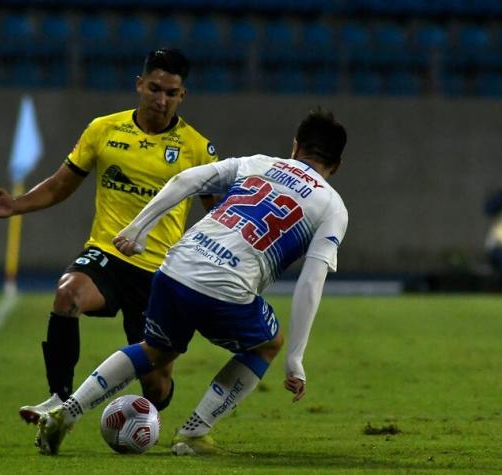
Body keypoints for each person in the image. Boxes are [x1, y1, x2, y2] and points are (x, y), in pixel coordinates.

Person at [34, 108, 348, 456]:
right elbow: (311, 279)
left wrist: (138, 228)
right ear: (336, 166)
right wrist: (296, 358)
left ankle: (67, 412)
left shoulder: (259, 163)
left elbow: (186, 180)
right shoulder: (332, 207)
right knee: (268, 344)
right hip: (227, 288)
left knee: (155, 350)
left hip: (176, 267)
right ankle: (194, 433)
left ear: (295, 146)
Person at [0, 49, 219, 422]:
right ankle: (58, 399)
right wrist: (15, 205)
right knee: (67, 293)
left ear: (182, 96)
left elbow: (219, 213)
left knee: (155, 385)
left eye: (171, 92)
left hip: (162, 273)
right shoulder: (104, 129)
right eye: (154, 88)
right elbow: (59, 185)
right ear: (139, 84)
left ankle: (156, 399)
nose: (161, 99)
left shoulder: (197, 148)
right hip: (108, 255)